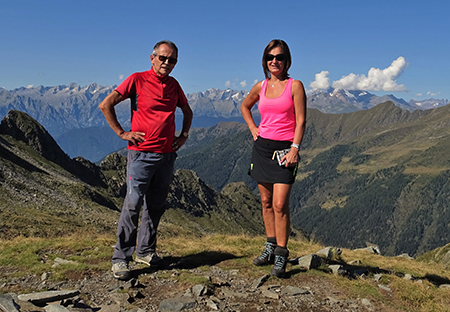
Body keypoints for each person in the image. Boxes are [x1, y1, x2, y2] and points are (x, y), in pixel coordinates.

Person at [99, 40, 193, 280]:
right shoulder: (137, 80)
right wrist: (122, 133)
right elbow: (106, 104)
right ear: (152, 58)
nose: (166, 63)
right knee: (133, 204)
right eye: (162, 58)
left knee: (156, 205)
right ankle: (121, 258)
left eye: (171, 60)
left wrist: (183, 136)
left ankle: (146, 251)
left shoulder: (174, 85)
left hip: (166, 154)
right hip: (141, 153)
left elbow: (187, 111)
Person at [240, 39, 307, 277]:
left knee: (280, 204)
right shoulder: (261, 86)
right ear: (265, 61)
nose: (274, 61)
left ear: (287, 60)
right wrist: (253, 129)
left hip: (285, 150)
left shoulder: (295, 86)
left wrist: (295, 148)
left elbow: (300, 120)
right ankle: (269, 247)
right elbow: (245, 106)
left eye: (279, 57)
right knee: (266, 202)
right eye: (270, 57)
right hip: (262, 149)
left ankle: (281, 254)